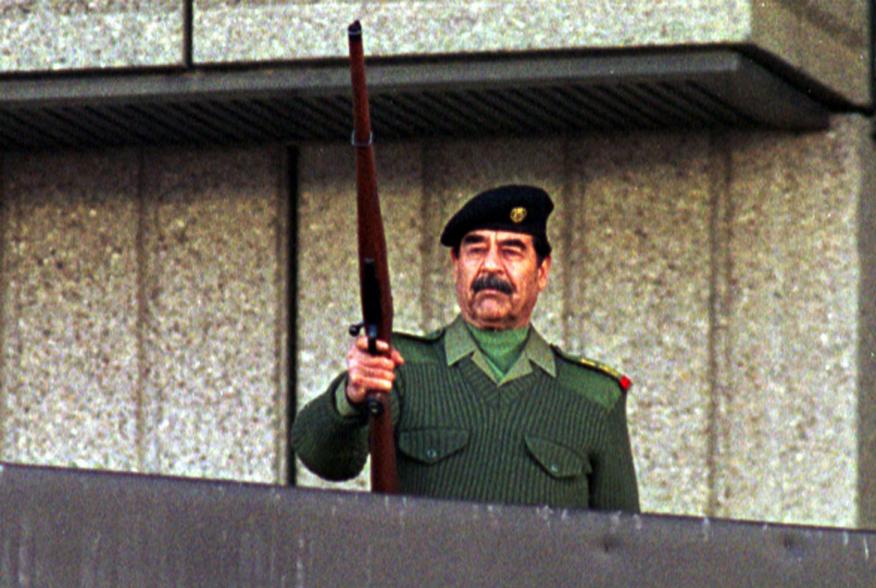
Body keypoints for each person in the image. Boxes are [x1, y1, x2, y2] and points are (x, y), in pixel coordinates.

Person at [291, 184, 639, 511]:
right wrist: (351, 396)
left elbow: (623, 545)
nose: (490, 265)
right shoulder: (398, 369)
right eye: (475, 249)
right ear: (456, 265)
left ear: (542, 271)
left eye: (511, 250)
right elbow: (319, 456)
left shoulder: (594, 396)